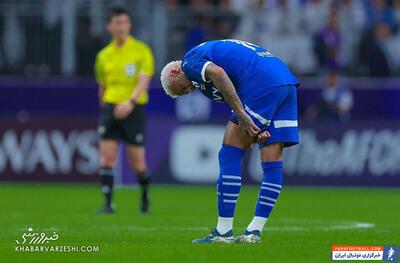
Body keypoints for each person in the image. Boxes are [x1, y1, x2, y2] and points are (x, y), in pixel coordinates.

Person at [160, 39, 299, 243]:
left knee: (229, 152)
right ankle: (254, 232)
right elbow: (233, 87)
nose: (188, 91)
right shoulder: (203, 69)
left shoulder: (190, 62)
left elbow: (219, 73)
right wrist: (255, 127)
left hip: (261, 81)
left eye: (181, 89)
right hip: (284, 80)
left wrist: (242, 114)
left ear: (174, 72)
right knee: (272, 158)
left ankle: (223, 232)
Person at [94, 7, 154, 214]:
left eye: (125, 22)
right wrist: (106, 107)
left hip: (134, 108)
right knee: (106, 158)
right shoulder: (103, 56)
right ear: (109, 26)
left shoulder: (141, 50)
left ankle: (145, 195)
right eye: (117, 23)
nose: (121, 27)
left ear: (129, 25)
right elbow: (102, 85)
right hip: (111, 108)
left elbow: (143, 81)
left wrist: (129, 103)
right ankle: (108, 204)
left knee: (137, 162)